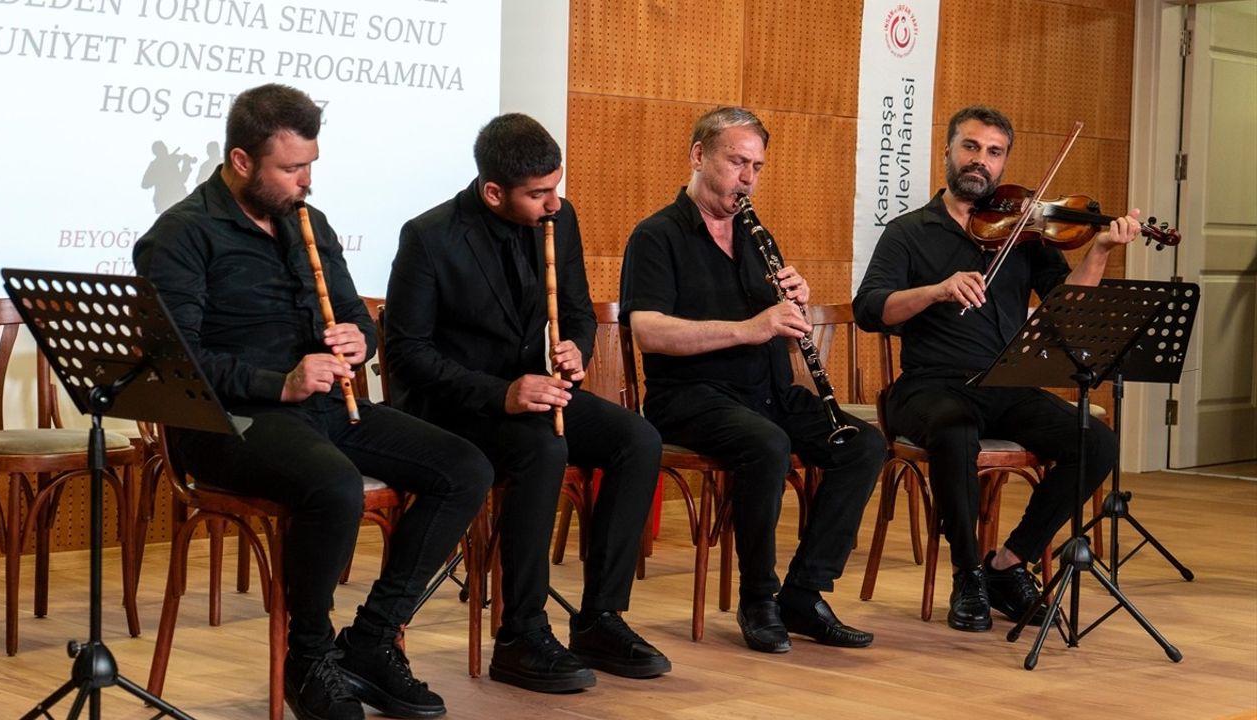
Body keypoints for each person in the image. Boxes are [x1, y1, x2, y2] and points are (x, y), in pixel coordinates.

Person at [134, 83, 493, 720]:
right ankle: (308, 656)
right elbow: (177, 363)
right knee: (333, 484)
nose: (306, 182)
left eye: (311, 165)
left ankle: (373, 641)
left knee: (464, 467)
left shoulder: (311, 224)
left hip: (326, 409)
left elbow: (360, 319)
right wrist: (282, 382)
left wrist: (362, 338)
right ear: (242, 162)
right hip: (231, 422)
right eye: (291, 168)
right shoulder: (182, 236)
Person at [384, 113, 669, 693]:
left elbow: (582, 311)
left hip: (534, 390)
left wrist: (577, 349)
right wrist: (501, 393)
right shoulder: (429, 236)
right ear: (493, 191)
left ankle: (600, 618)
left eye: (556, 187)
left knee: (637, 439)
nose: (553, 203)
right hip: (457, 405)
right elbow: (407, 353)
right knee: (543, 447)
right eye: (538, 194)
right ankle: (520, 634)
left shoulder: (561, 222)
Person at [853, 105, 1139, 632]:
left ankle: (1007, 564)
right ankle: (966, 574)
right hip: (930, 386)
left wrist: (1098, 251)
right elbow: (870, 309)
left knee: (1095, 442)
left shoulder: (1026, 234)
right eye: (970, 147)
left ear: (1003, 162)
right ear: (947, 151)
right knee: (955, 429)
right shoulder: (909, 232)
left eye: (993, 152)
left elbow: (1066, 306)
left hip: (1007, 383)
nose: (979, 161)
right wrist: (935, 290)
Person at [619, 106, 886, 654]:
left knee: (864, 444)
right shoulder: (657, 236)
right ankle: (758, 598)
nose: (748, 178)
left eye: (757, 167)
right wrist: (750, 328)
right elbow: (649, 332)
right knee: (767, 443)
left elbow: (778, 332)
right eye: (737, 162)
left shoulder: (756, 235)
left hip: (765, 393)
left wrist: (796, 313)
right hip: (690, 397)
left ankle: (804, 592)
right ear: (699, 156)